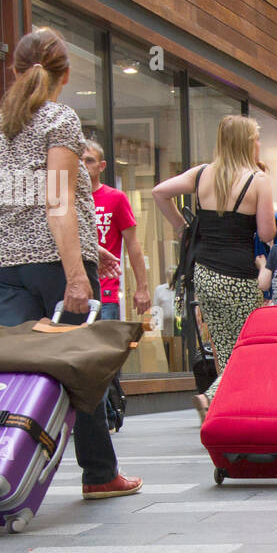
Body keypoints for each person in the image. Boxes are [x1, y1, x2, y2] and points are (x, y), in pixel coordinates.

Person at [0, 28, 141, 499]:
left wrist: (93, 248)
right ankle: (98, 474)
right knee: (77, 365)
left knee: (13, 369)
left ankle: (1, 469)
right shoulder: (59, 118)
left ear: (14, 70)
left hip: (2, 260)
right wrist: (75, 271)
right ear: (64, 74)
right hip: (52, 259)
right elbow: (57, 202)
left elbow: (16, 199)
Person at [152, 115, 276, 420]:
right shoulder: (257, 181)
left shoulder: (203, 174)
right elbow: (266, 233)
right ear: (247, 143)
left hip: (205, 273)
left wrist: (182, 228)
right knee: (248, 348)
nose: (260, 144)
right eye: (257, 139)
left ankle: (227, 409)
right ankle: (211, 397)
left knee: (222, 344)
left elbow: (159, 192)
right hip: (240, 276)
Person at [81, 139, 150, 431]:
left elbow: (133, 245)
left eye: (90, 160)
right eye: (80, 161)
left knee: (104, 355)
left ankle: (109, 413)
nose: (84, 167)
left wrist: (142, 287)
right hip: (74, 288)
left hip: (107, 288)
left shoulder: (115, 198)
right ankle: (96, 415)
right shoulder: (69, 199)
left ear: (102, 166)